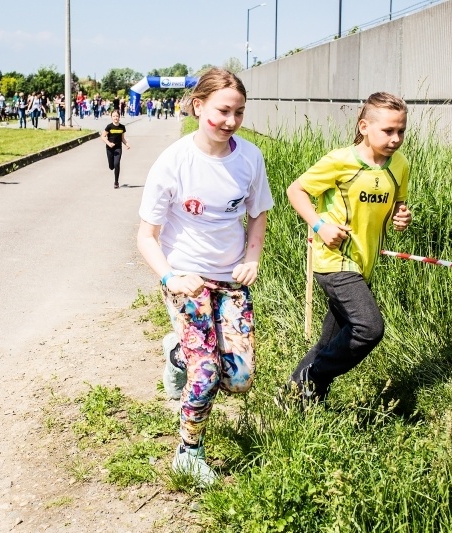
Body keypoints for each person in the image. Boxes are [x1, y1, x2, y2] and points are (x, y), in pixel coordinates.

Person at [136, 68, 274, 487]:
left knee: (239, 378)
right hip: (187, 280)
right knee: (207, 372)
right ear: (198, 106)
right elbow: (146, 236)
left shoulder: (249, 157)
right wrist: (169, 278)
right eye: (222, 110)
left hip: (232, 281)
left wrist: (253, 258)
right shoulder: (174, 161)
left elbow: (259, 213)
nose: (230, 120)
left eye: (239, 112)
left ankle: (176, 353)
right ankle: (188, 453)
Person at [281, 92, 412, 407]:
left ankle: (295, 398)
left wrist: (401, 215)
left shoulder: (401, 165)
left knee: (329, 341)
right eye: (388, 131)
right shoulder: (341, 161)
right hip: (334, 261)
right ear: (364, 127)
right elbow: (295, 190)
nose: (396, 139)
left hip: (364, 264)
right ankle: (314, 378)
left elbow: (398, 202)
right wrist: (319, 226)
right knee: (369, 328)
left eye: (401, 131)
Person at [100, 110, 131, 188]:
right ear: (111, 117)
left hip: (118, 148)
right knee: (111, 166)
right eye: (114, 116)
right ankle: (112, 166)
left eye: (117, 116)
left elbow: (122, 138)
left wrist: (127, 144)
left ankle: (116, 182)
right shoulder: (109, 127)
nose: (115, 118)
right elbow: (103, 136)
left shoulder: (122, 127)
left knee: (117, 164)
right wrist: (109, 143)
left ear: (119, 117)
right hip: (109, 148)